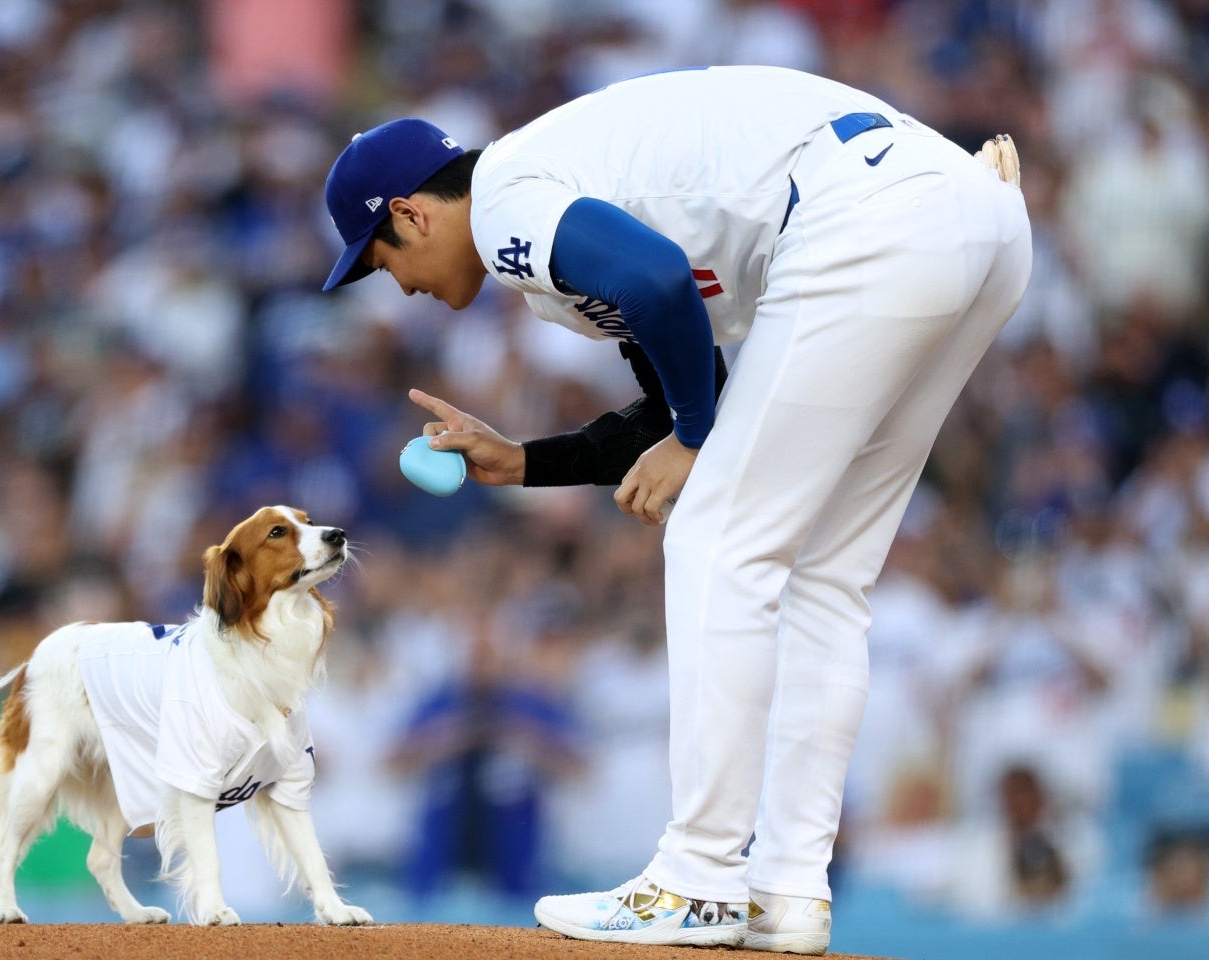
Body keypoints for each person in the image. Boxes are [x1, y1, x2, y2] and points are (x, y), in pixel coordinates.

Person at [321, 66, 1031, 954]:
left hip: (873, 217)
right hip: (970, 216)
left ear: (412, 214)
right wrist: (529, 461)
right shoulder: (557, 206)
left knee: (716, 541)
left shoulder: (504, 201)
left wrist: (696, 437)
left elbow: (661, 289)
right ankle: (788, 889)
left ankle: (699, 878)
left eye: (379, 258)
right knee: (824, 574)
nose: (393, 284)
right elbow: (674, 393)